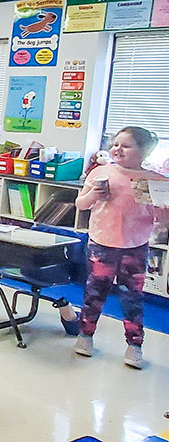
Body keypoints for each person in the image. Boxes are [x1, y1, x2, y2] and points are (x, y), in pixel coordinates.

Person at [74, 126, 168, 369]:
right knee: (94, 293)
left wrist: (165, 213)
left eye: (126, 146)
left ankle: (134, 345)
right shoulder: (100, 172)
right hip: (102, 244)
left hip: (134, 247)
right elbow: (81, 204)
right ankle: (85, 335)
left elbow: (161, 220)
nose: (117, 149)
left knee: (132, 298)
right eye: (115, 144)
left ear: (143, 151)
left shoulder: (155, 180)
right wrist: (93, 193)